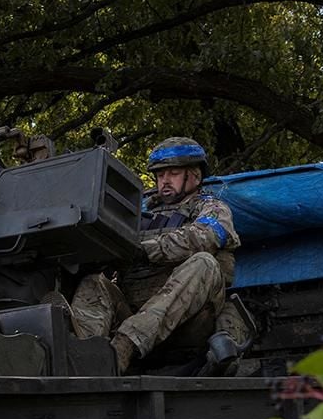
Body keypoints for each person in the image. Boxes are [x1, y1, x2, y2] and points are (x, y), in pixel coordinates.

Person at [70, 137, 240, 373]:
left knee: (204, 262)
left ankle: (123, 347)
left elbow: (205, 237)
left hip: (189, 321)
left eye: (172, 173)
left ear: (195, 176)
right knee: (94, 282)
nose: (165, 181)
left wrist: (145, 249)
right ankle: (84, 357)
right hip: (135, 307)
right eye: (160, 175)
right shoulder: (140, 213)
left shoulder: (212, 208)